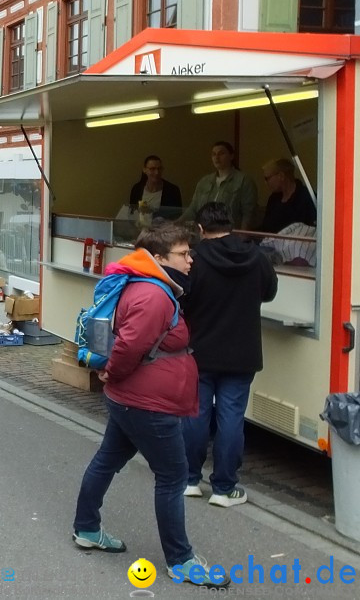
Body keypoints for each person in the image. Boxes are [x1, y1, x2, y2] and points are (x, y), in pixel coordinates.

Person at [71, 222, 228, 587]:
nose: (191, 260)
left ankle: (87, 529)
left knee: (107, 460)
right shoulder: (154, 295)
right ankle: (181, 560)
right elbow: (128, 346)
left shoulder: (148, 287)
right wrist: (112, 371)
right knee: (173, 477)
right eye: (184, 254)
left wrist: (115, 374)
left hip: (133, 400)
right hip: (146, 404)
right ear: (158, 258)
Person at [182, 202, 277, 508]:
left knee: (196, 414)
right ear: (232, 224)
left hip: (201, 351)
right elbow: (270, 291)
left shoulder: (194, 260)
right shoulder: (256, 256)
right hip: (242, 352)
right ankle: (224, 488)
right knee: (232, 416)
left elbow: (183, 299)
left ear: (200, 229)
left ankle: (190, 480)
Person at [181, 141, 258, 230]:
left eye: (221, 153)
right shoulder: (204, 181)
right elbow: (193, 209)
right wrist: (176, 224)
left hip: (230, 235)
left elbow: (249, 213)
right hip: (204, 234)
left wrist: (243, 236)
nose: (217, 157)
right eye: (213, 154)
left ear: (231, 156)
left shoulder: (244, 180)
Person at [259, 158, 316, 233]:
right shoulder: (273, 199)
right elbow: (265, 228)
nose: (266, 183)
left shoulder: (307, 197)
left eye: (267, 179)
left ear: (281, 176)